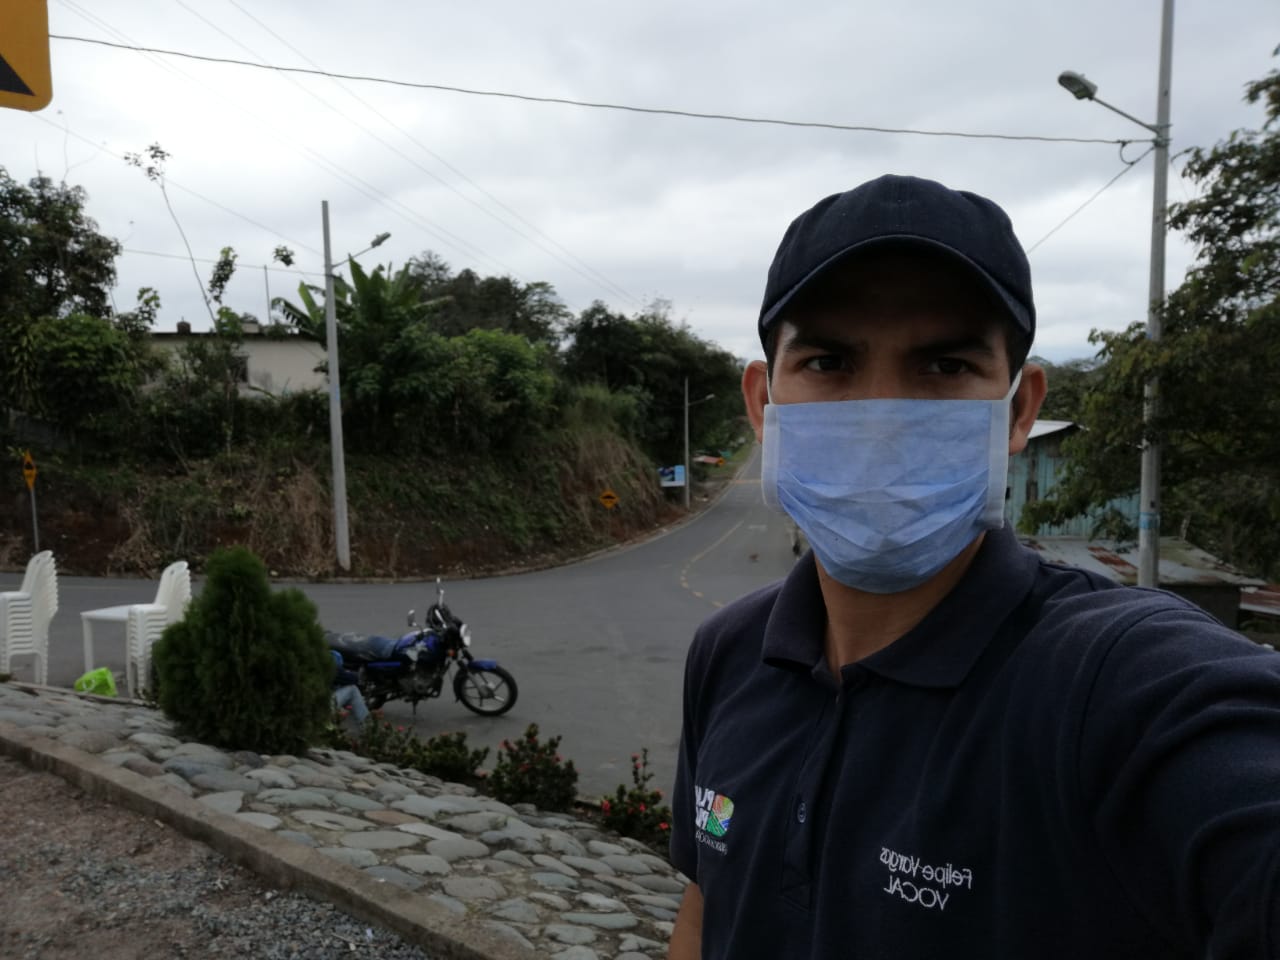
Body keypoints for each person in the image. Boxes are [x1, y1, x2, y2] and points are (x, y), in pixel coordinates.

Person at [667, 174, 1280, 959]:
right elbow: (706, 915)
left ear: (1020, 410)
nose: (882, 418)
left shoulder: (1118, 682)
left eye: (945, 366)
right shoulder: (727, 654)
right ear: (763, 405)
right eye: (828, 361)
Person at [331, 650, 370, 727]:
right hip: (319, 708)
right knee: (352, 689)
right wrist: (355, 674)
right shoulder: (324, 661)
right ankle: (368, 728)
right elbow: (351, 679)